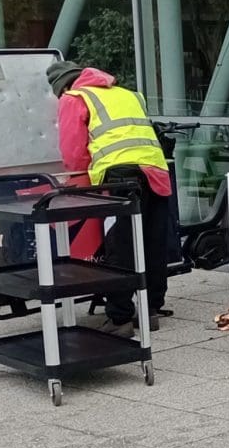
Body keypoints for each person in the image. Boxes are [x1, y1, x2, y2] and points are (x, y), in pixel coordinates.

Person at [48, 61, 173, 336]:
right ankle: (150, 310)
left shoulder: (74, 98)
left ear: (64, 86)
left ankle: (120, 318)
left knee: (120, 246)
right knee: (152, 242)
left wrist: (79, 179)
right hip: (156, 171)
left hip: (120, 175)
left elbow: (73, 152)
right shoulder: (128, 94)